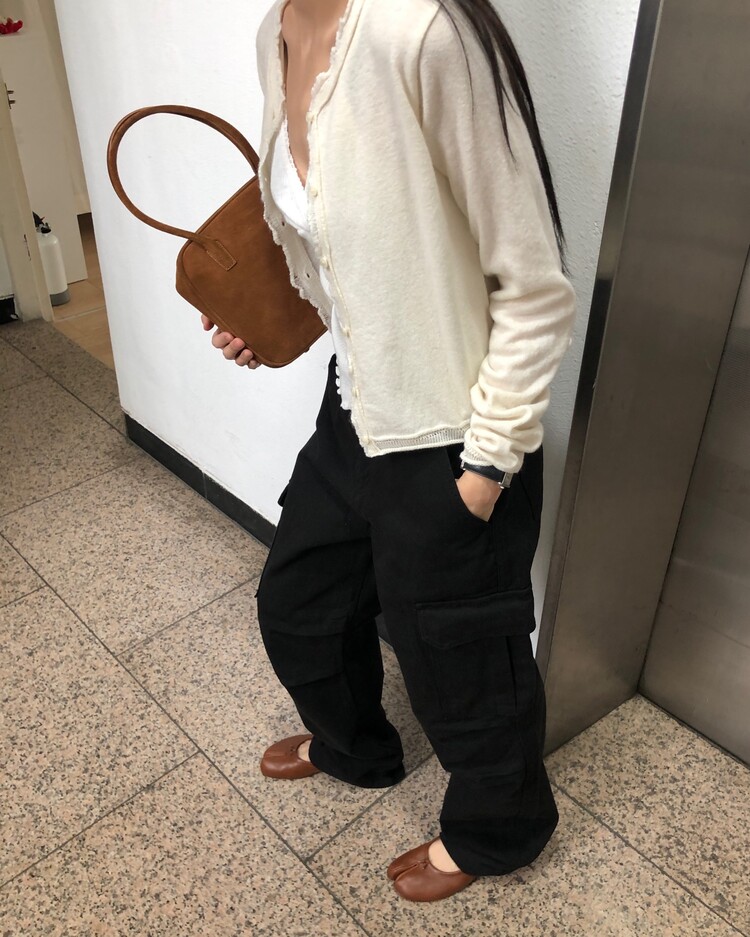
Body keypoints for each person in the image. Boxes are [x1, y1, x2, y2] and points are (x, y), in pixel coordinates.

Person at [202, 0, 576, 903]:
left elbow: (533, 286)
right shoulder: (275, 32)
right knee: (301, 602)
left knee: (459, 658)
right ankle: (356, 747)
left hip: (453, 428)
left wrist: (484, 471)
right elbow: (344, 238)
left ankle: (498, 830)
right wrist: (273, 316)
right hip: (357, 405)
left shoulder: (423, 33)